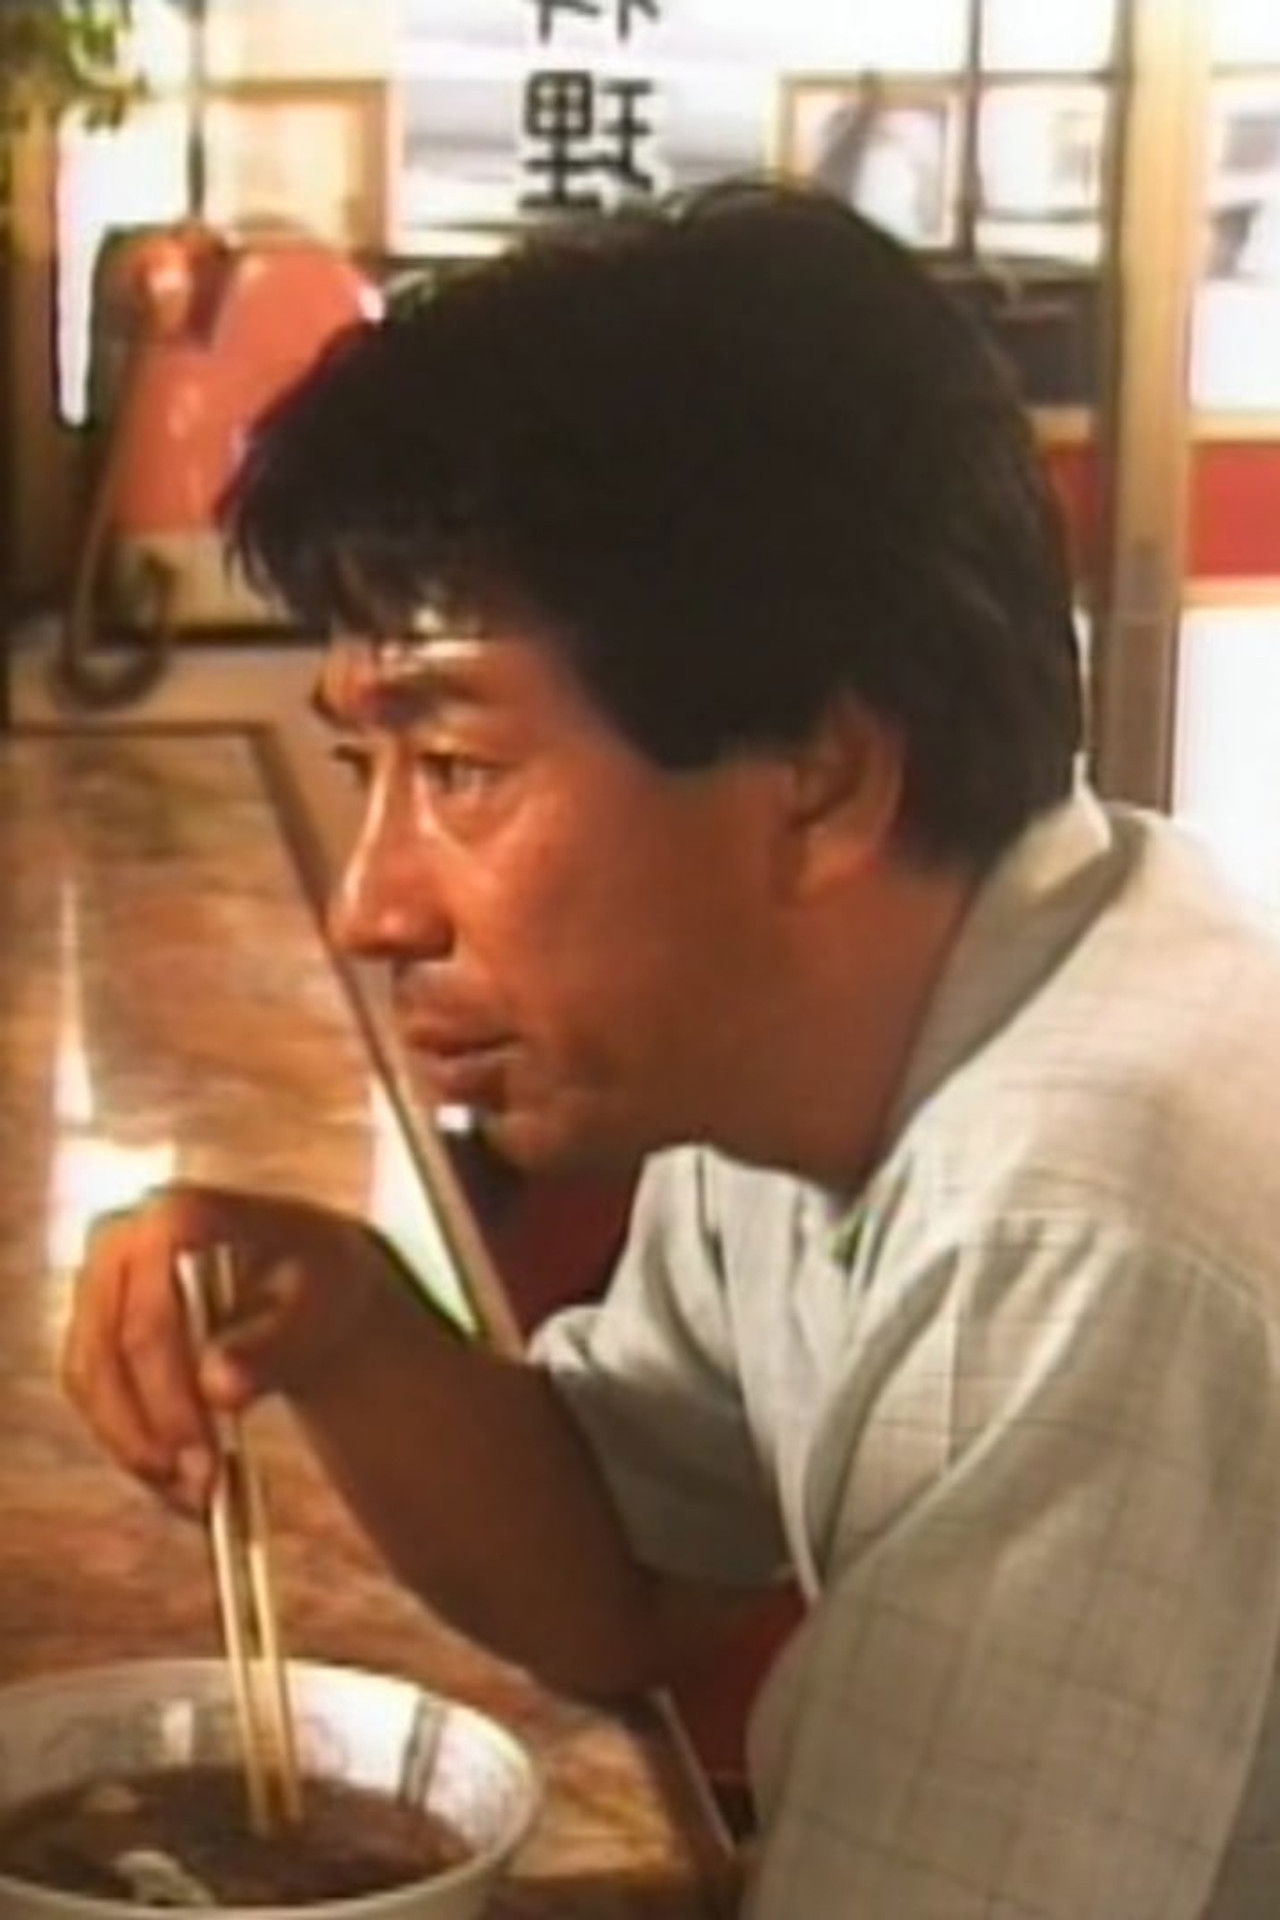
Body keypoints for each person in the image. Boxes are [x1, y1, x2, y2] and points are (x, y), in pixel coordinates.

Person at [63, 178, 1280, 1919]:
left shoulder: (1077, 1221)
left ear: (822, 778)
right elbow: (623, 1579)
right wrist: (344, 1325)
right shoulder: (833, 1045)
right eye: (367, 769)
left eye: (458, 768)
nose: (371, 905)